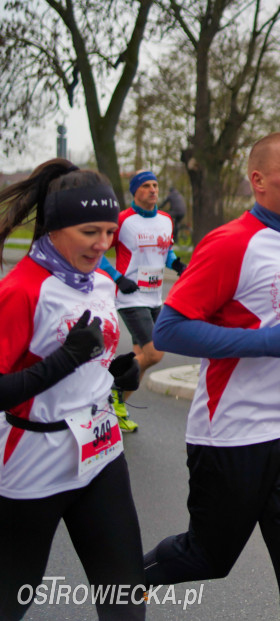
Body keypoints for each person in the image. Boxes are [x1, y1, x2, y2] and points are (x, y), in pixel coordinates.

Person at [142, 133, 280, 620]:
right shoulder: (231, 243)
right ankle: (120, 584)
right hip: (232, 437)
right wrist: (264, 343)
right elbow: (170, 330)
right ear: (259, 181)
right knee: (206, 557)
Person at [0, 160, 145, 620]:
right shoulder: (21, 289)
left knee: (126, 599)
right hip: (34, 458)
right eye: (89, 233)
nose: (103, 244)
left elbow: (93, 360)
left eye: (109, 231)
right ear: (56, 228)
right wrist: (65, 362)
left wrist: (116, 374)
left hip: (101, 452)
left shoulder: (101, 281)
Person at [99, 170, 187, 432]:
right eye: (146, 186)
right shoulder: (123, 220)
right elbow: (99, 252)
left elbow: (166, 251)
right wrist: (118, 278)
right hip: (130, 297)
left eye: (156, 185)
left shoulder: (166, 219)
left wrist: (178, 264)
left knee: (142, 356)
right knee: (154, 353)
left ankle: (114, 411)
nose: (153, 190)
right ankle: (111, 386)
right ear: (134, 191)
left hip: (154, 297)